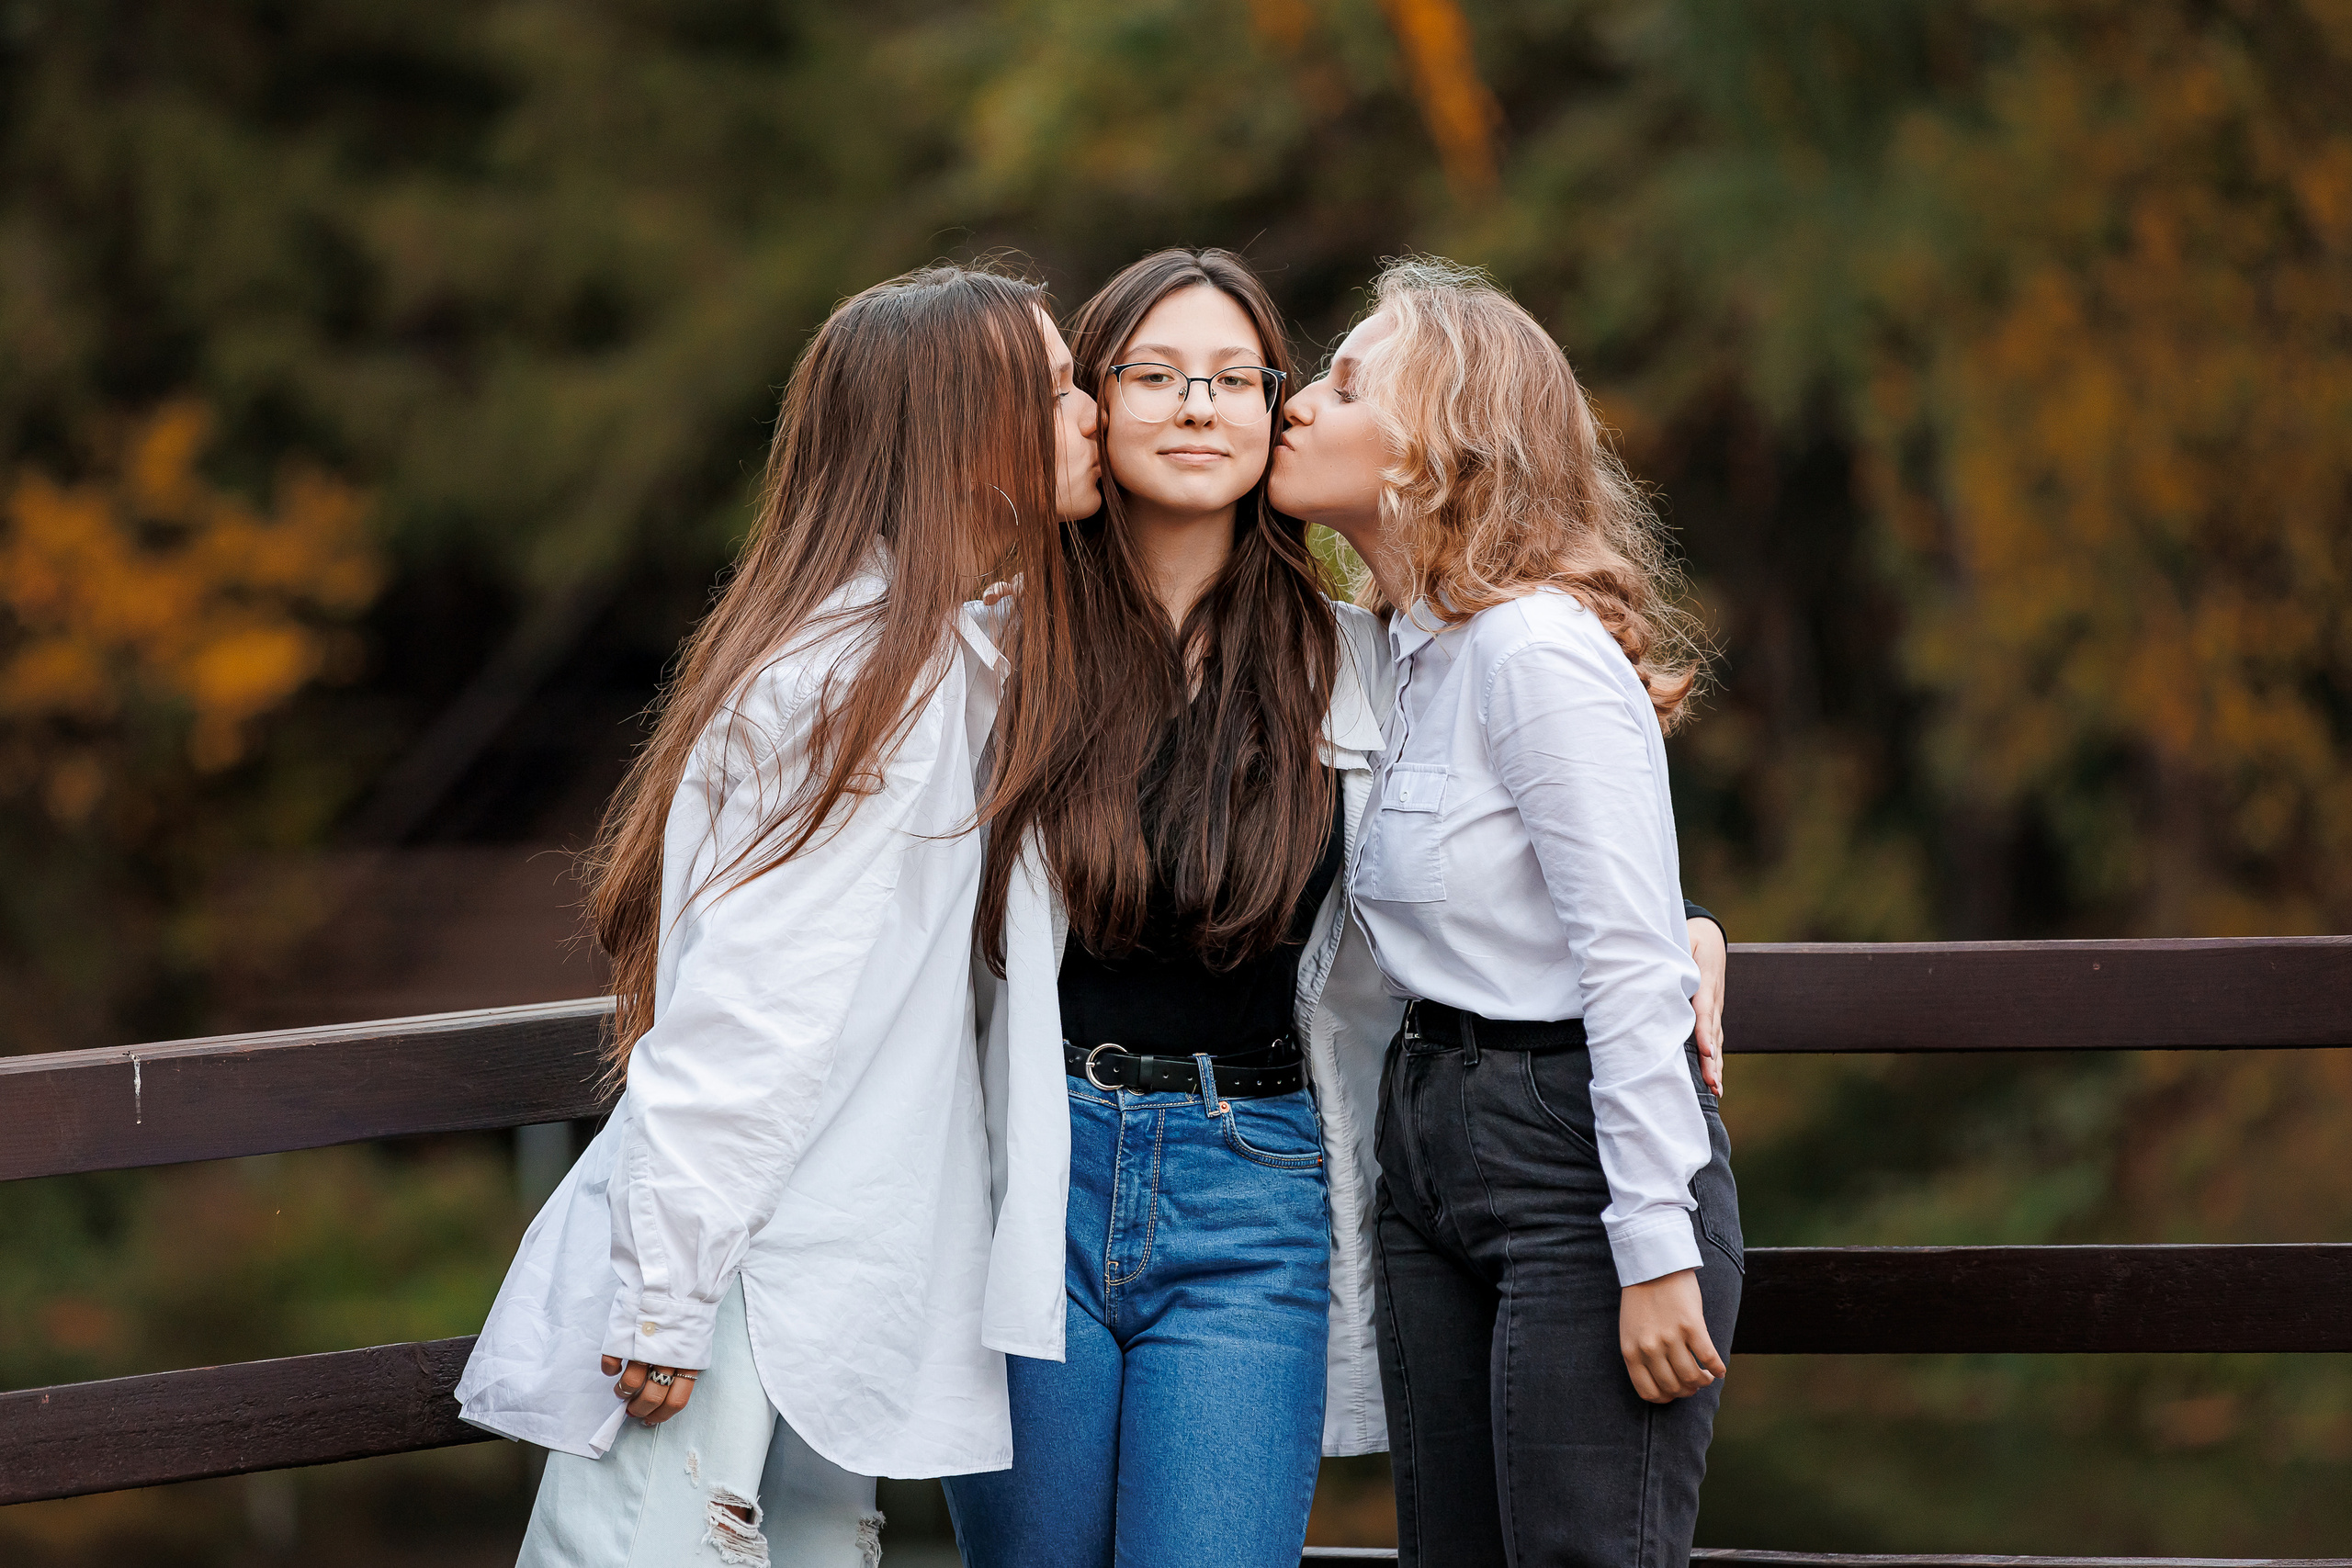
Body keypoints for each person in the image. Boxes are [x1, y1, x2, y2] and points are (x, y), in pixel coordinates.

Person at [941, 248, 1731, 1568]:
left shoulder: (1354, 663)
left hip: (1251, 1185)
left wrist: (1687, 933)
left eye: (1237, 379)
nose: (1200, 406)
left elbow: (1545, 861)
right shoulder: (997, 651)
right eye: (1155, 375)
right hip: (1028, 1171)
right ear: (1092, 400)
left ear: (1270, 407)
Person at [453, 262, 1102, 1568]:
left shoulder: (934, 656)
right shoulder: (853, 684)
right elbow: (749, 1013)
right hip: (747, 1279)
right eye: (1055, 389)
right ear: (965, 441)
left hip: (826, 1289)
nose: (1093, 410)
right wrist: (667, 1293)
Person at [1268, 256, 1742, 1568]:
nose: (1295, 403)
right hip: (1428, 1137)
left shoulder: (1534, 651)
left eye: (1348, 382)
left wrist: (1652, 1249)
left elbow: (1625, 957)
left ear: (1448, 438)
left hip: (1572, 1160)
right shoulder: (1399, 651)